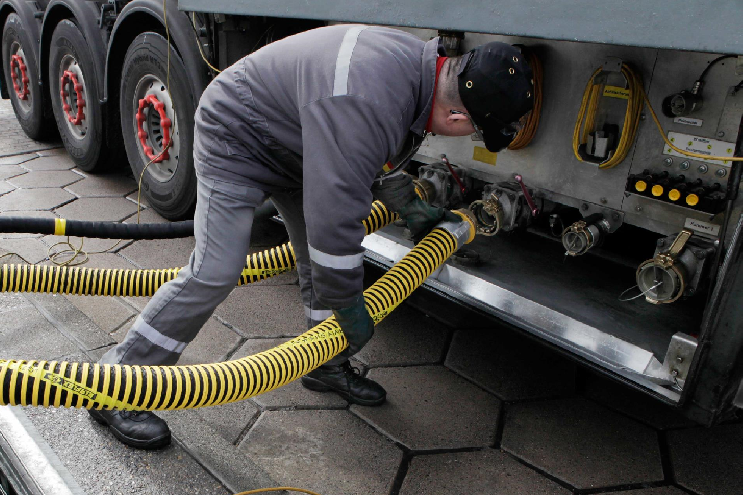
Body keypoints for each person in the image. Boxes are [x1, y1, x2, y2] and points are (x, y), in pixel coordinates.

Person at [89, 25, 534, 449]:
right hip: (237, 136)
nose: (467, 135)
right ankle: (119, 383)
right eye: (474, 128)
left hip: (297, 143)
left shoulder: (422, 70)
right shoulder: (368, 97)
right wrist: (350, 310)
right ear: (457, 114)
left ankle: (324, 363)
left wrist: (410, 208)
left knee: (318, 262)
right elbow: (334, 227)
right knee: (217, 270)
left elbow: (376, 156)